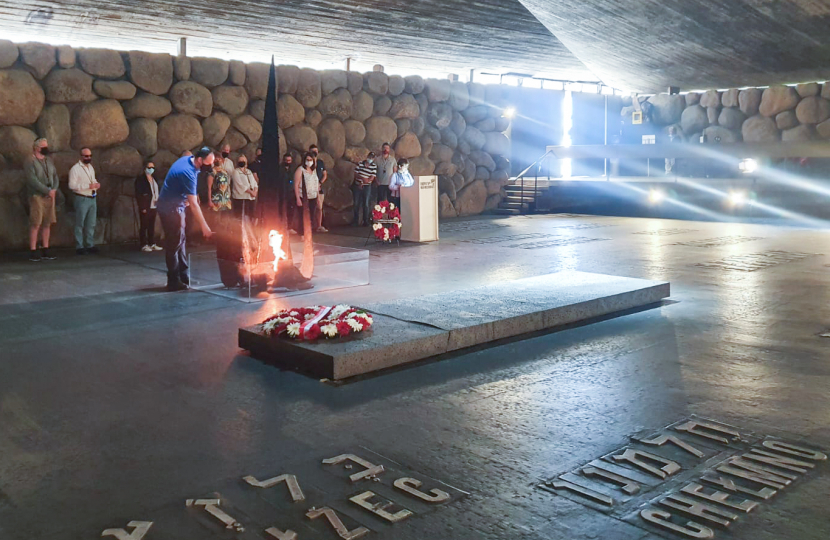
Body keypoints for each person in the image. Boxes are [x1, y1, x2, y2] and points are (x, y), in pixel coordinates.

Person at [157, 147, 214, 291]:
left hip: (175, 206)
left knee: (180, 242)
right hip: (170, 210)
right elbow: (194, 205)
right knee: (174, 245)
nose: (210, 167)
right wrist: (205, 227)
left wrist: (184, 199)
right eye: (208, 163)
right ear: (200, 160)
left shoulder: (186, 160)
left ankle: (183, 276)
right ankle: (173, 281)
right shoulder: (188, 173)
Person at [24, 138, 59, 261]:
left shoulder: (49, 161)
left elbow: (55, 176)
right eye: (44, 146)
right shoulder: (30, 161)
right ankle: (33, 250)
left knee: (47, 222)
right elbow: (32, 180)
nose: (46, 148)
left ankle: (45, 248)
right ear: (37, 147)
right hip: (37, 196)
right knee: (36, 222)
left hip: (50, 195)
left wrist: (54, 189)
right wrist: (46, 190)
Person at [68, 147, 101, 255]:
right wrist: (88, 186)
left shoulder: (90, 167)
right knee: (80, 223)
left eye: (90, 156)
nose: (89, 158)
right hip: (82, 197)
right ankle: (79, 246)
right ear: (81, 156)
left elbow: (93, 180)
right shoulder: (75, 169)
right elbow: (71, 185)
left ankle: (89, 244)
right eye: (86, 156)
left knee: (91, 223)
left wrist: (96, 185)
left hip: (92, 197)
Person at [134, 160, 162, 252]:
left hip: (154, 205)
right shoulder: (141, 179)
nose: (151, 169)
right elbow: (139, 194)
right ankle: (143, 244)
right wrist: (142, 207)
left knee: (151, 225)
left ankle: (152, 243)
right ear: (145, 168)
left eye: (152, 167)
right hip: (146, 205)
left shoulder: (155, 178)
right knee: (144, 225)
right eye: (149, 167)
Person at [294, 151, 320, 235]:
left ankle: (308, 233)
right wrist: (298, 198)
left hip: (313, 196)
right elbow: (296, 185)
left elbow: (316, 184)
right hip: (303, 197)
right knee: (303, 216)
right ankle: (302, 233)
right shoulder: (300, 170)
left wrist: (318, 197)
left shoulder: (314, 170)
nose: (309, 161)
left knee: (311, 216)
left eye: (310, 160)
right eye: (307, 159)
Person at [352, 152, 377, 226]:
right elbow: (356, 174)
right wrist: (362, 179)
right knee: (356, 203)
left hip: (367, 186)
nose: (370, 159)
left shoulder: (374, 166)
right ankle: (355, 221)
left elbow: (372, 177)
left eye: (372, 158)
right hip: (357, 185)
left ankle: (365, 221)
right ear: (367, 157)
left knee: (366, 203)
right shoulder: (360, 163)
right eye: (370, 157)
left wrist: (366, 181)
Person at [207, 151, 233, 220]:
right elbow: (209, 187)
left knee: (226, 222)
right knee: (216, 222)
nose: (218, 160)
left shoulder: (225, 171)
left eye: (219, 158)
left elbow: (228, 185)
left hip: (226, 201)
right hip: (216, 201)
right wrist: (209, 200)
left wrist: (229, 198)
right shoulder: (212, 172)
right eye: (216, 158)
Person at [309, 144, 328, 232]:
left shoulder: (320, 162)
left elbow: (324, 174)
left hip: (319, 188)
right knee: (311, 207)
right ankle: (310, 225)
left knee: (319, 207)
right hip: (311, 188)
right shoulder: (308, 163)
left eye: (316, 151)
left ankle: (319, 226)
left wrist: (320, 183)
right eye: (313, 151)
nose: (315, 153)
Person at [232, 154, 258, 219]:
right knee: (241, 218)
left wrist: (255, 191)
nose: (242, 162)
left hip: (250, 198)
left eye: (243, 160)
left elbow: (254, 182)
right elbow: (239, 185)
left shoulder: (249, 171)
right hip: (241, 198)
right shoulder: (236, 172)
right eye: (240, 160)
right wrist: (250, 192)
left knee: (250, 217)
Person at [279, 153, 297, 234]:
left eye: (289, 160)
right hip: (281, 193)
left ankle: (289, 227)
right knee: (281, 211)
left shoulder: (293, 170)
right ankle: (281, 227)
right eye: (286, 160)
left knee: (290, 211)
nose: (288, 162)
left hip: (290, 193)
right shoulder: (279, 169)